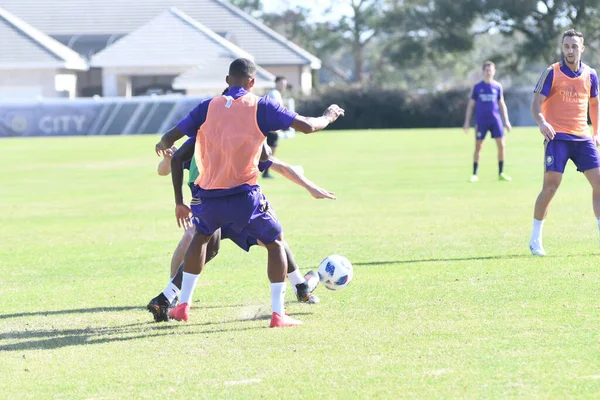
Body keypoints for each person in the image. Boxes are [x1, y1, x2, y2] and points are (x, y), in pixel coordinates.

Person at [155, 58, 344, 327]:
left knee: (200, 238)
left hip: (208, 199)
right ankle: (280, 313)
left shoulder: (207, 107)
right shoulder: (261, 106)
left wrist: (161, 145)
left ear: (227, 81)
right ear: (252, 83)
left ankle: (182, 305)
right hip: (245, 197)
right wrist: (330, 115)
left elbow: (170, 138)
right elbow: (308, 126)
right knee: (276, 241)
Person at [147, 141, 336, 322]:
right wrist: (168, 159)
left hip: (220, 211)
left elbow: (279, 165)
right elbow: (165, 169)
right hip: (225, 210)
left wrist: (310, 186)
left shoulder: (229, 139)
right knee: (268, 239)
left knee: (273, 241)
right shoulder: (203, 141)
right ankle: (172, 294)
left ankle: (300, 286)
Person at [529, 29, 600, 256]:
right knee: (551, 187)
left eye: (574, 46)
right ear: (563, 48)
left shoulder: (590, 74)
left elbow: (595, 105)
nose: (570, 50)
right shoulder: (552, 72)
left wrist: (596, 132)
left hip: (582, 137)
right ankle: (535, 239)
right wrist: (541, 122)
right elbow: (536, 104)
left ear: (582, 48)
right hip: (557, 137)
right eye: (566, 46)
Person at [463, 61, 512, 182]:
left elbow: (502, 104)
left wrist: (506, 120)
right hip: (481, 121)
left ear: (494, 71)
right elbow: (470, 105)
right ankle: (474, 174)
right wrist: (467, 122)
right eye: (486, 70)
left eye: (491, 70)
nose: (488, 72)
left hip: (495, 121)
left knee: (501, 146)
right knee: (478, 147)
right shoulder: (477, 87)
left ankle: (501, 173)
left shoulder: (497, 87)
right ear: (483, 71)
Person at [262, 76, 288, 178]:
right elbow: (273, 111)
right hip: (271, 127)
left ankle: (266, 171)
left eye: (285, 84)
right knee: (269, 150)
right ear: (276, 83)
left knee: (271, 149)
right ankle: (265, 172)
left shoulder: (276, 94)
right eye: (282, 84)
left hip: (273, 126)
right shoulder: (274, 94)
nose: (283, 86)